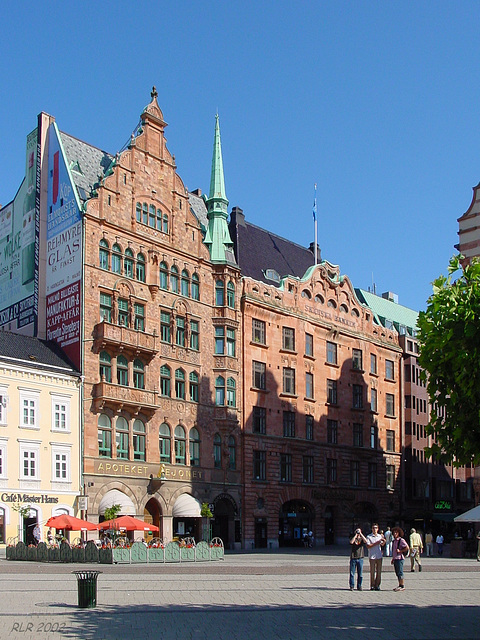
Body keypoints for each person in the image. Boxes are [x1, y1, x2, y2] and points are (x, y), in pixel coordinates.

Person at [366, 523, 385, 590]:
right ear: (372, 529)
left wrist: (384, 542)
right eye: (373, 528)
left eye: (376, 528)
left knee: (379, 571)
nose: (375, 529)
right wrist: (376, 543)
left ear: (378, 529)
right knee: (372, 571)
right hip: (372, 556)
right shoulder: (369, 536)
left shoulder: (380, 536)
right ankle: (372, 585)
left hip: (379, 555)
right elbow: (368, 546)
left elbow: (382, 544)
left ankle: (377, 585)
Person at [391, 526, 410, 591]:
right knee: (397, 572)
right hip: (396, 558)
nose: (395, 534)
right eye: (394, 533)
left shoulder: (401, 540)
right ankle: (399, 585)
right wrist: (393, 558)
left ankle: (402, 585)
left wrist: (400, 551)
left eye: (396, 532)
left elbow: (407, 547)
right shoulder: (394, 541)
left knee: (400, 572)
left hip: (400, 558)